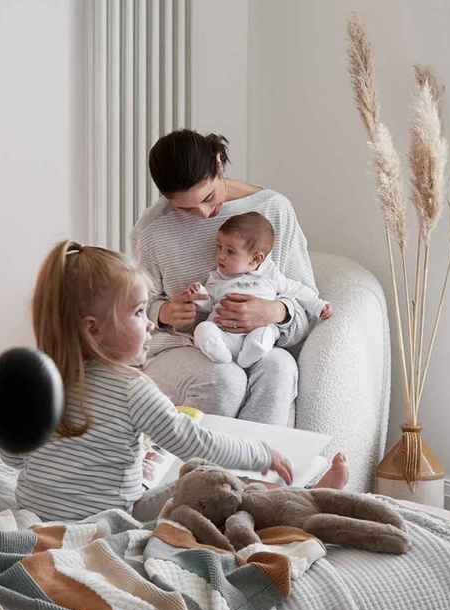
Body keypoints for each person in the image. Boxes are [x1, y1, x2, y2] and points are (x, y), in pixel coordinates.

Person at [2, 240, 346, 523]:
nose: (150, 324)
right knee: (213, 487)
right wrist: (260, 453)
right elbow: (196, 443)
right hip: (111, 519)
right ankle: (305, 502)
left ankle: (299, 498)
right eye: (138, 313)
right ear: (94, 329)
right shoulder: (130, 389)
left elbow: (13, 458)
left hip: (34, 514)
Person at [132, 129, 318, 426]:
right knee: (226, 379)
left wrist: (276, 312)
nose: (204, 214)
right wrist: (164, 312)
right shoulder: (154, 229)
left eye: (208, 197)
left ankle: (255, 471)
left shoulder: (273, 209)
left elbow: (307, 305)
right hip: (179, 348)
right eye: (186, 208)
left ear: (219, 164)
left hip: (256, 341)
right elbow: (136, 306)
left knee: (279, 367)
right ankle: (201, 472)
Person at [189, 211, 331, 368]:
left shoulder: (270, 275)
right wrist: (199, 294)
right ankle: (220, 355)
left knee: (267, 332)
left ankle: (254, 350)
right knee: (203, 329)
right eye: (219, 247)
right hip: (223, 334)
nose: (221, 256)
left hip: (256, 331)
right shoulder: (217, 277)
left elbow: (297, 290)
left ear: (256, 258)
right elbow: (208, 305)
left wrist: (318, 305)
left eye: (230, 251)